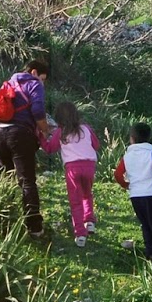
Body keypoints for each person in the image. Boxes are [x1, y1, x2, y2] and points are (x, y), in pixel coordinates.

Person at [0, 59, 51, 240]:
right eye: (43, 78)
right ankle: (34, 227)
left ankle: (0, 224)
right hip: (19, 134)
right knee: (27, 181)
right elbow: (38, 110)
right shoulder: (33, 83)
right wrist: (45, 130)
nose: (42, 82)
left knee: (4, 179)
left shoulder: (8, 84)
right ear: (34, 72)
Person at [42, 101, 100, 246]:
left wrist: (40, 137)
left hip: (72, 168)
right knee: (87, 193)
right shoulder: (86, 128)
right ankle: (90, 221)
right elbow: (96, 145)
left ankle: (80, 234)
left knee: (75, 201)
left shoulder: (60, 132)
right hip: (89, 165)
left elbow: (50, 148)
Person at [115, 123, 152, 263]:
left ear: (131, 138)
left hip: (135, 194)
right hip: (150, 193)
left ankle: (150, 252)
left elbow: (118, 173)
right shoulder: (150, 153)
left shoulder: (127, 156)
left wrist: (126, 185)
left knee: (145, 223)